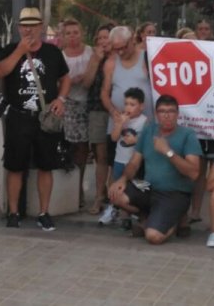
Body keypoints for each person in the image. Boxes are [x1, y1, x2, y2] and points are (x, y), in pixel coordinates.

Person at [0, 7, 71, 230]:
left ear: (41, 27)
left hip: (44, 117)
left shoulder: (52, 52)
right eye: (24, 25)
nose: (29, 29)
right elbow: (0, 72)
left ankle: (44, 211)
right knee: (15, 166)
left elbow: (65, 77)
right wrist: (20, 51)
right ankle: (13, 212)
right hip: (19, 117)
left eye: (33, 25)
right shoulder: (10, 49)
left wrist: (61, 99)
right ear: (19, 28)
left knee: (45, 166)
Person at [107, 95, 202, 244]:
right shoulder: (149, 130)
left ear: (177, 114)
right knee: (115, 194)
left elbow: (194, 173)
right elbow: (134, 162)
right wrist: (123, 179)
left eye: (171, 111)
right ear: (156, 114)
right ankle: (149, 217)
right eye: (162, 111)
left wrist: (168, 152)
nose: (166, 115)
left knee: (153, 237)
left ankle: (171, 221)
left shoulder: (187, 134)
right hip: (149, 188)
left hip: (175, 192)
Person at [101, 87, 149, 226]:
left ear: (141, 106)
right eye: (126, 103)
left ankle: (130, 215)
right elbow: (115, 138)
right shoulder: (120, 118)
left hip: (134, 163)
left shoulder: (144, 121)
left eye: (132, 105)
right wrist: (120, 124)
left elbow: (147, 141)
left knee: (132, 187)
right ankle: (114, 210)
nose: (128, 107)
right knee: (116, 185)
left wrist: (136, 141)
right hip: (119, 160)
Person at [58, 19, 93, 209]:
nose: (72, 36)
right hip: (69, 103)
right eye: (68, 33)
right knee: (70, 146)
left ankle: (79, 187)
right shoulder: (61, 56)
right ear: (63, 36)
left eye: (76, 32)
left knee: (84, 148)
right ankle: (70, 190)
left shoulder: (90, 52)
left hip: (87, 103)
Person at [82, 24, 113, 215]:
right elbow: (86, 83)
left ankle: (113, 195)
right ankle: (99, 196)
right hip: (97, 110)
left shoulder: (120, 59)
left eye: (106, 38)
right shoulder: (95, 58)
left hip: (117, 111)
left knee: (116, 156)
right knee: (100, 156)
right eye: (100, 38)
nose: (103, 42)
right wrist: (96, 61)